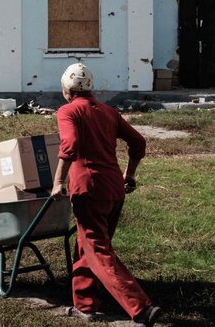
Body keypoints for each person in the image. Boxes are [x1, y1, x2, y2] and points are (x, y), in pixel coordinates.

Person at [51, 63, 162, 326]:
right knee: (87, 245)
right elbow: (138, 142)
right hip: (114, 188)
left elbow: (70, 146)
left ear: (66, 89)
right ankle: (85, 305)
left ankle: (141, 308)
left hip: (89, 189)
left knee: (98, 250)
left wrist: (57, 181)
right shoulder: (109, 112)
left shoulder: (67, 111)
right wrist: (130, 174)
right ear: (90, 88)